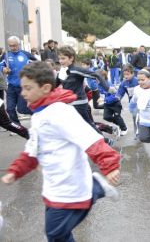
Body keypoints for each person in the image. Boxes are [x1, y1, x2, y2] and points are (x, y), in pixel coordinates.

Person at [1, 61, 120, 241]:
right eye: (22, 88)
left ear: (45, 87)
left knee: (54, 234)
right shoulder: (39, 115)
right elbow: (32, 150)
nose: (22, 92)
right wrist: (16, 171)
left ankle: (95, 189)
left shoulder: (60, 112)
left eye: (27, 88)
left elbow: (90, 138)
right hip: (54, 186)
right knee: (58, 235)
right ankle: (95, 188)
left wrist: (109, 164)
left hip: (70, 185)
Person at [56, 46, 114, 145]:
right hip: (68, 104)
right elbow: (55, 84)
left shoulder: (76, 70)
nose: (60, 61)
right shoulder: (62, 71)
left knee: (88, 125)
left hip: (79, 103)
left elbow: (96, 75)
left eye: (63, 58)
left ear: (71, 58)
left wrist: (107, 88)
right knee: (75, 126)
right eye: (59, 58)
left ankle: (105, 142)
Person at [0, 36, 36, 125]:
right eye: (10, 46)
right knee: (10, 109)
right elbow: (0, 65)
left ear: (19, 44)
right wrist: (3, 69)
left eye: (14, 45)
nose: (13, 47)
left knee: (22, 109)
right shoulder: (6, 55)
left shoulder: (26, 54)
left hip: (23, 86)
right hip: (11, 86)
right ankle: (17, 126)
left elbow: (38, 64)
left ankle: (38, 113)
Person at [97, 70, 128, 136]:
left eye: (97, 78)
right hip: (107, 104)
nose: (95, 79)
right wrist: (101, 98)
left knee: (117, 117)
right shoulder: (99, 85)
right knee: (106, 117)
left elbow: (115, 96)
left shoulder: (108, 84)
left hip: (115, 103)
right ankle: (119, 124)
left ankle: (124, 129)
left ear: (103, 77)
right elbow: (102, 94)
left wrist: (104, 99)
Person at [117, 65, 139, 138]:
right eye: (124, 74)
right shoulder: (124, 82)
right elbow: (120, 91)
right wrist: (118, 98)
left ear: (133, 73)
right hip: (132, 104)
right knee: (135, 118)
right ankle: (137, 133)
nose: (126, 76)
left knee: (142, 118)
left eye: (128, 74)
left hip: (142, 103)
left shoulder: (137, 81)